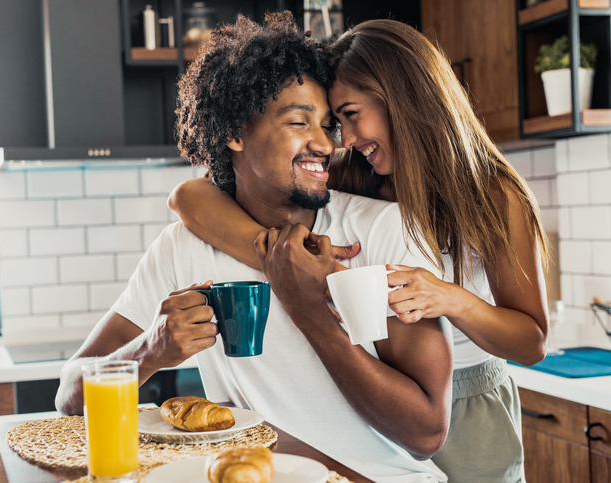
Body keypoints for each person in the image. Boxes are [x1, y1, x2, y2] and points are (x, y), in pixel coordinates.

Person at [56, 13, 454, 483]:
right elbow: (69, 397)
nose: (324, 143)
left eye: (327, 125)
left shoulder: (383, 231)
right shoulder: (182, 249)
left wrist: (310, 310)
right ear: (235, 133)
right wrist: (151, 351)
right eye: (298, 121)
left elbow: (427, 432)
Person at [168, 18, 551, 483]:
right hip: (388, 410)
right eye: (337, 122)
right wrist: (286, 265)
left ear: (403, 101)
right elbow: (189, 197)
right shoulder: (358, 176)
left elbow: (531, 342)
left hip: (470, 410)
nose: (342, 140)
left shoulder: (493, 194)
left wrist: (451, 298)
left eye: (350, 115)